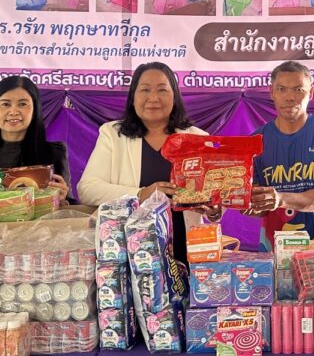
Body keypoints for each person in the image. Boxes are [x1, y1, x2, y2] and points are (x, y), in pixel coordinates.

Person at [78, 62, 222, 266]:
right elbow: (87, 189)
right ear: (133, 97)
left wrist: (214, 209)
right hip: (128, 255)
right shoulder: (112, 135)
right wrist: (141, 194)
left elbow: (214, 199)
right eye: (145, 90)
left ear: (175, 96)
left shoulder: (198, 138)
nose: (153, 98)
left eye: (162, 90)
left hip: (185, 253)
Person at [246, 61, 314, 252]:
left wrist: (280, 199)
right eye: (281, 89)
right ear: (272, 92)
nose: (290, 97)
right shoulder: (256, 141)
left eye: (298, 89)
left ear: (311, 92)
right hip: (273, 245)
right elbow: (260, 207)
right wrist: (248, 205)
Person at [0, 76, 71, 201]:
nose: (13, 111)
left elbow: (70, 205)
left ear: (34, 110)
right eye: (5, 104)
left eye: (22, 104)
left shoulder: (54, 153)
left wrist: (63, 199)